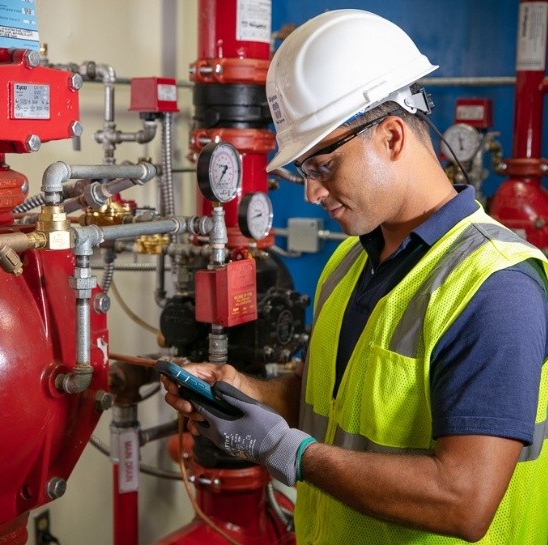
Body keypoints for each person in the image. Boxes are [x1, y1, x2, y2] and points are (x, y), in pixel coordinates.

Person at [162, 9, 548, 544]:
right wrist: (244, 393)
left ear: (391, 136)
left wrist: (284, 450)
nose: (313, 192)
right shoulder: (345, 265)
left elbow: (464, 500)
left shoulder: (493, 286)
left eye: (321, 165)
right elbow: (334, 407)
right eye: (303, 172)